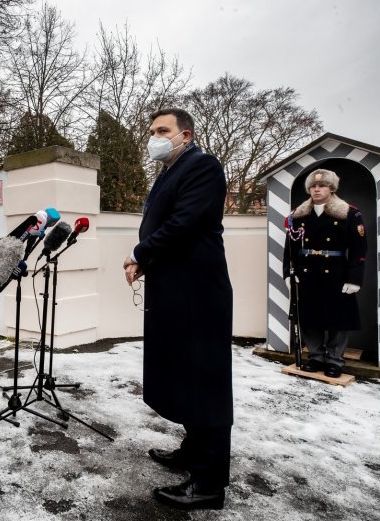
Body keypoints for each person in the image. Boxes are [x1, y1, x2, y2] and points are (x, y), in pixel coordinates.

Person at [123, 108, 233, 511]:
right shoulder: (170, 170)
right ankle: (192, 451)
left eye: (162, 130)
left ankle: (209, 483)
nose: (154, 136)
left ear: (185, 134)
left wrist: (139, 251)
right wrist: (146, 260)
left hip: (198, 291)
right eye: (151, 130)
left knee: (206, 384)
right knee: (184, 376)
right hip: (176, 289)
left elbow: (185, 223)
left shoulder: (203, 165)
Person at [282, 168, 366, 378]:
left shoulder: (349, 213)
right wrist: (288, 274)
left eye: (322, 185)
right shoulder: (298, 214)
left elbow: (359, 248)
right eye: (313, 186)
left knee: (337, 319)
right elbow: (290, 248)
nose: (317, 189)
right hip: (307, 271)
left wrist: (354, 278)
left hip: (336, 272)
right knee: (309, 317)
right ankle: (316, 357)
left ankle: (335, 361)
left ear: (332, 188)